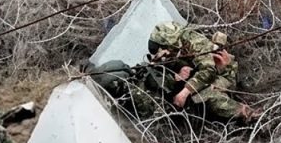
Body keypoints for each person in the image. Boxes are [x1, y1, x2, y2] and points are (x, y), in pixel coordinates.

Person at [89, 24, 257, 123]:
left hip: (222, 73)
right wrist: (178, 75)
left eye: (162, 50)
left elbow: (208, 72)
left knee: (206, 96)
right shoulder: (174, 43)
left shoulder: (196, 45)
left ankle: (250, 116)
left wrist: (184, 92)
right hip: (200, 73)